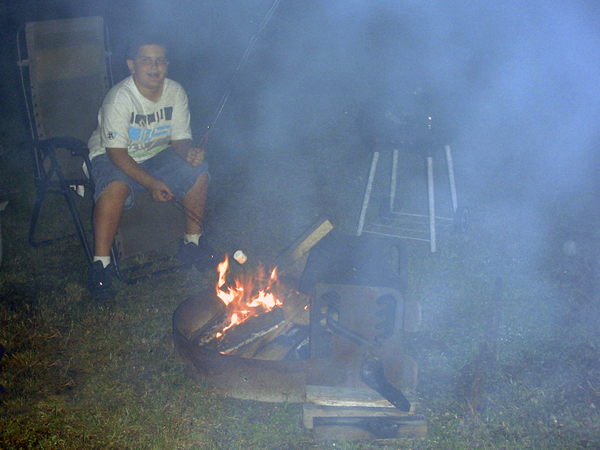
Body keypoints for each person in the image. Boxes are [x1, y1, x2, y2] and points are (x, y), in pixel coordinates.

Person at [86, 36, 215, 300]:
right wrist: (152, 183)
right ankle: (100, 266)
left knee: (198, 171)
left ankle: (192, 244)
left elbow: (179, 138)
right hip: (111, 156)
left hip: (155, 154)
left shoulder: (175, 91)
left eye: (160, 60)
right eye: (146, 60)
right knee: (116, 186)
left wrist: (189, 152)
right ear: (132, 65)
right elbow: (116, 154)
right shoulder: (119, 98)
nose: (154, 66)